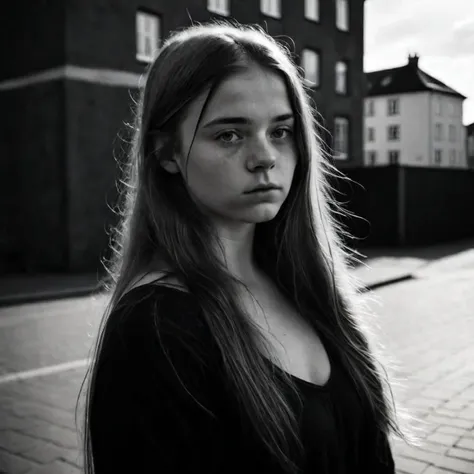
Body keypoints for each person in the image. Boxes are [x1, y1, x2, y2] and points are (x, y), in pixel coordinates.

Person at [78, 20, 410, 474]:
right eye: (229, 134)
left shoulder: (303, 282)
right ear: (167, 153)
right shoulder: (155, 328)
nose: (265, 157)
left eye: (280, 131)